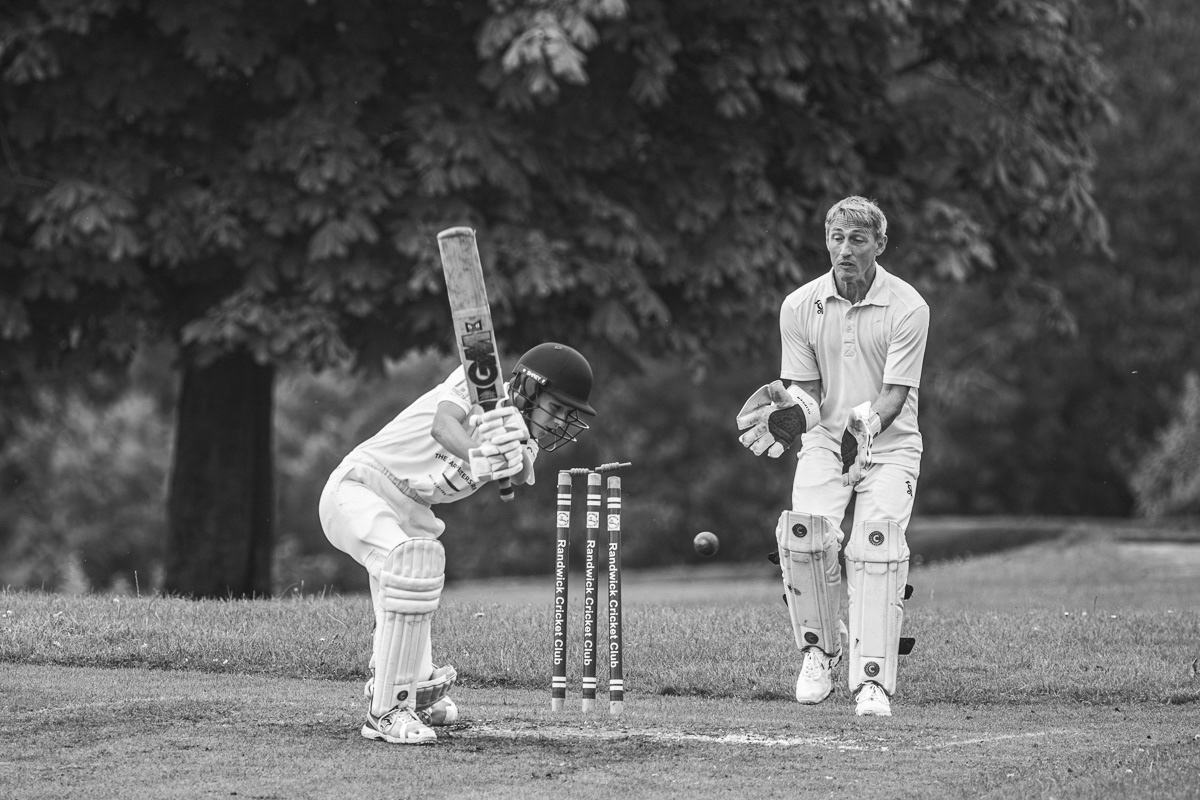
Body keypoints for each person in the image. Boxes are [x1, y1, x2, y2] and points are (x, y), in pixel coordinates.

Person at [319, 342, 597, 744]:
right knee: (408, 566)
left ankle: (411, 684)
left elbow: (522, 472)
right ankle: (386, 710)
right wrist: (480, 452)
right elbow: (443, 426)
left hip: (412, 510)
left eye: (566, 414)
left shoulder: (521, 433)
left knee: (417, 574)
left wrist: (512, 452)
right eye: (555, 407)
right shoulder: (478, 384)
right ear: (530, 389)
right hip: (362, 486)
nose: (558, 421)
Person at [736, 196, 929, 717]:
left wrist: (864, 427)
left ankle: (872, 682)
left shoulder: (909, 306)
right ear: (826, 240)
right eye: (837, 238)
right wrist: (793, 414)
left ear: (879, 245)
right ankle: (821, 652)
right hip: (825, 440)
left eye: (858, 240)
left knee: (876, 550)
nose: (845, 249)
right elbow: (809, 392)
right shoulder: (800, 305)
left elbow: (895, 395)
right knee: (804, 538)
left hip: (889, 445)